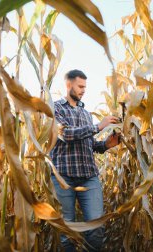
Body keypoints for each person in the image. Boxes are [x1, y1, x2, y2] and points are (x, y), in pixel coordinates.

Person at [50, 69, 120, 251]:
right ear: (68, 85)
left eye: (85, 87)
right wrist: (98, 126)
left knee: (96, 227)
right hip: (63, 178)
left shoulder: (86, 113)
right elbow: (64, 134)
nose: (83, 90)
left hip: (89, 176)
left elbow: (88, 144)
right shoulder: (56, 108)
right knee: (67, 232)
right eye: (80, 86)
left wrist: (105, 145)